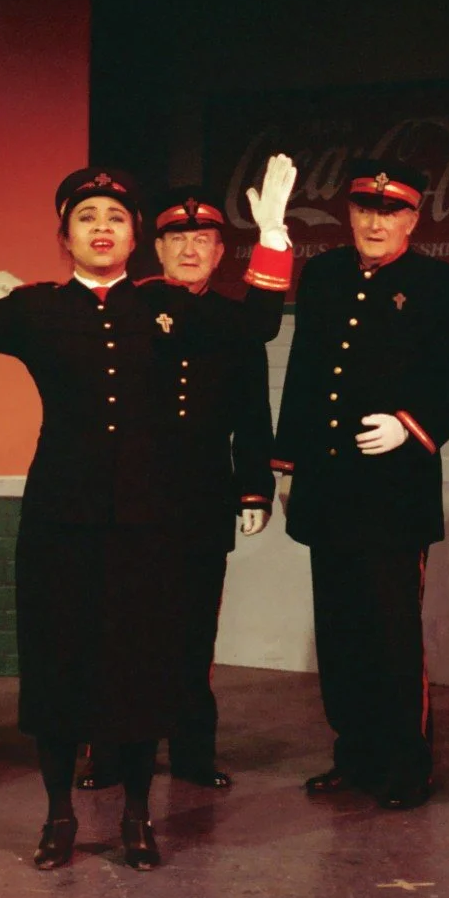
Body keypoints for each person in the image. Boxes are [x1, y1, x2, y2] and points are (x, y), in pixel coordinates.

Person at [0, 147, 293, 870]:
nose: (101, 228)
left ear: (135, 237)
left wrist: (274, 236)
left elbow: (257, 327)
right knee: (59, 663)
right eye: (86, 217)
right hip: (60, 517)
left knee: (140, 666)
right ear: (65, 236)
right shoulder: (36, 308)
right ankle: (59, 814)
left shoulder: (166, 304)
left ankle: (134, 817)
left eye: (116, 218)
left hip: (147, 523)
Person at [274, 158, 449, 811]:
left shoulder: (434, 281)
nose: (374, 220)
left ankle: (404, 765)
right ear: (348, 212)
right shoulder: (322, 275)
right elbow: (305, 372)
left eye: (389, 210)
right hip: (327, 486)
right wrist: (285, 465)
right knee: (338, 633)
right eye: (363, 207)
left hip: (392, 493)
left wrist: (410, 425)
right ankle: (354, 753)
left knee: (391, 636)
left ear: (413, 218)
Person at [77, 187, 275, 792]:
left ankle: (192, 753)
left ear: (220, 254)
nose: (191, 250)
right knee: (123, 628)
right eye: (178, 239)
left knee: (193, 633)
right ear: (155, 247)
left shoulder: (238, 321)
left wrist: (254, 490)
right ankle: (108, 754)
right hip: (131, 499)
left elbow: (252, 415)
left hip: (202, 501)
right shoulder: (125, 309)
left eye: (204, 241)